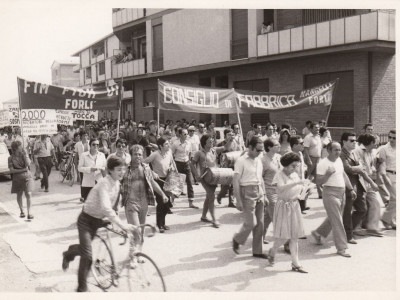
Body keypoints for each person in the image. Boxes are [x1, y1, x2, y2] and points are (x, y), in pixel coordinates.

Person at [61, 156, 136, 292]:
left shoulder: (117, 184)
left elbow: (113, 207)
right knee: (88, 256)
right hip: (86, 220)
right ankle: (81, 289)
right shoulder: (103, 184)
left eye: (123, 170)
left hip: (98, 220)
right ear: (110, 170)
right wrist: (123, 225)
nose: (122, 173)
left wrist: (119, 225)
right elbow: (106, 208)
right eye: (119, 170)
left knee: (85, 249)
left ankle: (70, 251)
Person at [311, 142, 356, 257]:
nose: (338, 152)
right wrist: (327, 174)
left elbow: (343, 175)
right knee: (337, 221)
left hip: (342, 192)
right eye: (336, 150)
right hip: (330, 193)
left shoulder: (339, 160)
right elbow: (318, 182)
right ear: (329, 150)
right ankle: (341, 248)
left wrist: (350, 189)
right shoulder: (322, 164)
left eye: (339, 150)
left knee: (335, 217)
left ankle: (318, 233)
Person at [267, 152, 309, 273]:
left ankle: (296, 263)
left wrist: (306, 191)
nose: (295, 168)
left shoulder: (295, 174)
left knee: (294, 236)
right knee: (284, 236)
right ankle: (273, 250)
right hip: (283, 206)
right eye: (292, 166)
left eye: (296, 166)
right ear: (285, 165)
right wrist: (297, 183)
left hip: (294, 205)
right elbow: (280, 188)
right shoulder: (279, 175)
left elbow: (299, 191)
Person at [121, 145, 168, 247]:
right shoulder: (125, 169)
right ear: (131, 155)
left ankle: (138, 253)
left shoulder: (145, 168)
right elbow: (116, 183)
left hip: (144, 203)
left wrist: (162, 194)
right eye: (135, 154)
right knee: (135, 230)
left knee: (141, 232)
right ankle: (133, 255)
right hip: (131, 203)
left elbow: (152, 182)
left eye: (140, 154)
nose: (138, 156)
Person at [232, 136, 268, 259]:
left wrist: (264, 195)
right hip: (246, 191)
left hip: (259, 191)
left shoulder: (259, 160)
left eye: (261, 150)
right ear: (250, 148)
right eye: (258, 150)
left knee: (260, 223)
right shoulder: (241, 161)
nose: (260, 153)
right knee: (251, 223)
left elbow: (260, 178)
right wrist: (237, 199)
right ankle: (237, 239)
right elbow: (235, 180)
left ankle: (257, 251)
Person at [191, 134, 233, 228]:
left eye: (212, 141)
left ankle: (203, 216)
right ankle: (214, 220)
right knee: (211, 196)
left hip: (214, 176)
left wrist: (230, 140)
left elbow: (226, 147)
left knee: (209, 196)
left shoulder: (214, 150)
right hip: (204, 178)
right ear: (204, 143)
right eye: (209, 141)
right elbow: (192, 164)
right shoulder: (199, 153)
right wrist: (196, 175)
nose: (211, 142)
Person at [340, 132, 368, 244]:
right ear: (344, 142)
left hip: (358, 184)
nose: (354, 142)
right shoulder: (341, 153)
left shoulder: (354, 152)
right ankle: (348, 235)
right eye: (351, 140)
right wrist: (359, 167)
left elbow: (360, 166)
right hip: (348, 185)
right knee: (347, 211)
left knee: (362, 209)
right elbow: (347, 169)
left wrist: (359, 167)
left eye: (355, 140)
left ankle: (346, 229)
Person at [143, 138, 175, 233]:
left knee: (167, 203)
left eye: (168, 143)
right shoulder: (155, 154)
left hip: (168, 179)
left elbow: (172, 163)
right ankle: (159, 224)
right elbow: (144, 163)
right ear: (160, 146)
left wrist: (172, 167)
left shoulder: (169, 153)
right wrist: (152, 172)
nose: (168, 145)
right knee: (161, 202)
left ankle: (163, 223)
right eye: (166, 144)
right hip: (158, 181)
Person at [355, 134, 383, 237]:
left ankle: (372, 228)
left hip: (369, 180)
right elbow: (361, 169)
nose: (377, 144)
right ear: (371, 143)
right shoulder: (358, 151)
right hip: (360, 181)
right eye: (376, 142)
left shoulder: (373, 152)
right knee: (360, 206)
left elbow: (372, 165)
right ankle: (356, 227)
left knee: (375, 203)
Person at [261, 138, 281, 244]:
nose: (279, 146)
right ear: (269, 147)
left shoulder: (278, 157)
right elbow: (260, 178)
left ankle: (259, 235)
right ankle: (285, 243)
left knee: (268, 216)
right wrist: (263, 194)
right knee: (277, 217)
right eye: (276, 145)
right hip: (269, 191)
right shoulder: (263, 160)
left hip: (278, 190)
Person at [171, 128, 197, 208]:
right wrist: (173, 165)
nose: (187, 135)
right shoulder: (175, 144)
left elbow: (189, 153)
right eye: (185, 134)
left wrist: (188, 161)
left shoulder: (189, 143)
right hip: (178, 164)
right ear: (180, 135)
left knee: (189, 182)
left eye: (187, 134)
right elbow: (171, 155)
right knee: (177, 183)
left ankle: (191, 202)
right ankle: (172, 201)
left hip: (186, 163)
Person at [8, 141, 34, 220]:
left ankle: (29, 212)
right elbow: (12, 170)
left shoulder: (23, 155)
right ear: (15, 148)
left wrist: (26, 155)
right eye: (20, 146)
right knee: (19, 194)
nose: (22, 147)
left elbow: (28, 164)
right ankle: (22, 211)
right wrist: (22, 170)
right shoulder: (10, 158)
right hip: (18, 178)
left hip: (27, 177)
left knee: (28, 194)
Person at [216, 129, 241, 207]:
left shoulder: (236, 143)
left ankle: (231, 201)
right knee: (226, 184)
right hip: (225, 166)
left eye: (232, 134)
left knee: (233, 184)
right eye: (229, 135)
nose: (231, 136)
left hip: (234, 165)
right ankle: (220, 195)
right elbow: (218, 155)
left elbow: (238, 152)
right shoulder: (221, 144)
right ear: (225, 136)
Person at [378, 129, 396, 229]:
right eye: (390, 137)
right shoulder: (383, 149)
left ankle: (392, 221)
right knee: (396, 198)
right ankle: (385, 218)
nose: (391, 139)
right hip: (389, 175)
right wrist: (384, 177)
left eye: (394, 138)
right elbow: (382, 164)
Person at [290, 135, 310, 214]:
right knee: (295, 196)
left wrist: (305, 168)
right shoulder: (290, 156)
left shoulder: (300, 154)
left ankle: (301, 208)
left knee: (303, 192)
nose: (303, 145)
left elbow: (302, 164)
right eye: (301, 143)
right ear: (294, 146)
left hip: (301, 177)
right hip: (293, 181)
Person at [303, 122, 322, 197]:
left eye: (318, 127)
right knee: (307, 177)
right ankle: (303, 194)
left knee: (318, 176)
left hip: (318, 159)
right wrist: (308, 160)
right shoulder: (308, 137)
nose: (318, 129)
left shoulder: (318, 137)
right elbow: (306, 149)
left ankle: (320, 193)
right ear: (311, 129)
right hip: (311, 158)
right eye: (315, 127)